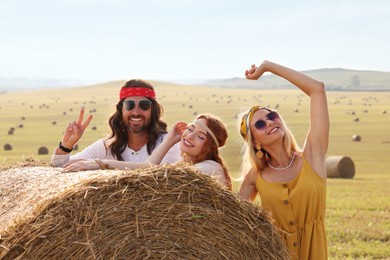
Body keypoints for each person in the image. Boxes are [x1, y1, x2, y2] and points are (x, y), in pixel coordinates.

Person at [238, 60, 329, 259]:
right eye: (260, 124)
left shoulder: (312, 156)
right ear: (255, 143)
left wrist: (268, 67)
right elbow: (234, 221)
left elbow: (317, 90)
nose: (270, 122)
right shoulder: (255, 177)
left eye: (272, 116)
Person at [62, 114, 232, 190]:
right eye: (190, 129)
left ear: (210, 147)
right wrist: (170, 139)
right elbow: (149, 168)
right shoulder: (187, 165)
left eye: (201, 137)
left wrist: (101, 164)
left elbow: (151, 174)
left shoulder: (210, 168)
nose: (190, 136)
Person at [51, 79, 181, 167]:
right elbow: (61, 168)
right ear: (121, 110)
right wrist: (66, 146)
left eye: (144, 105)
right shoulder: (107, 146)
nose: (136, 112)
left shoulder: (169, 143)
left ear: (153, 110)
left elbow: (151, 171)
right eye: (129, 105)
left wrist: (101, 164)